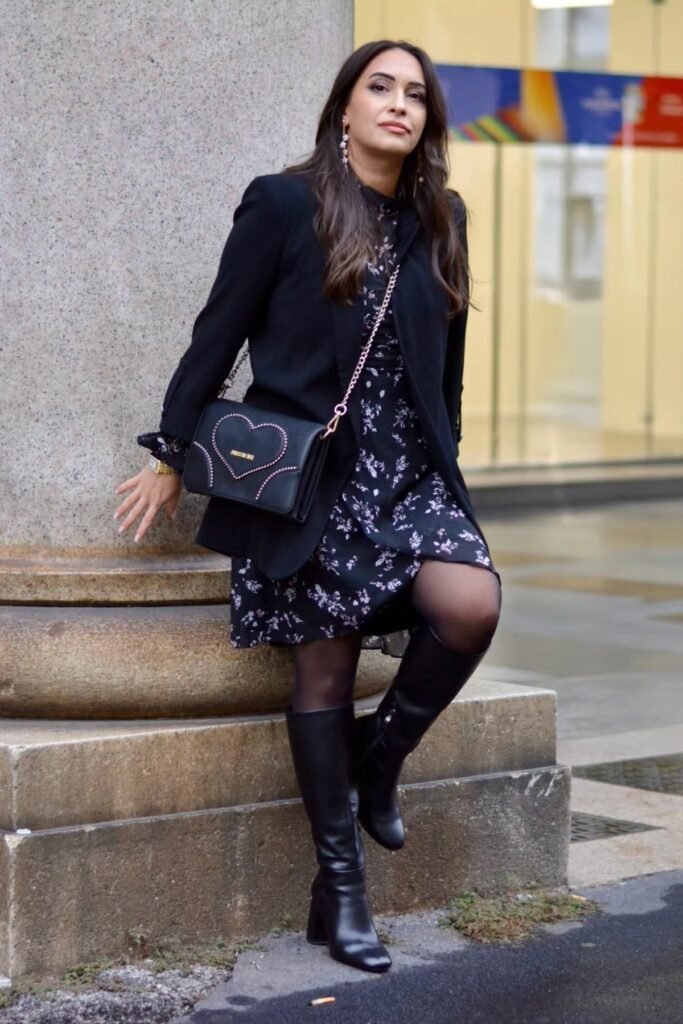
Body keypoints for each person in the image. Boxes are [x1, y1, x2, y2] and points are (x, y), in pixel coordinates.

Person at [114, 39, 501, 974]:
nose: (399, 106)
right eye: (381, 88)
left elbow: (443, 370)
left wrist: (449, 468)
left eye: (415, 95)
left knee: (470, 605)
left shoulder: (439, 215)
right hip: (312, 484)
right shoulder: (284, 202)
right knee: (320, 675)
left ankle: (374, 765)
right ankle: (341, 890)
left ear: (427, 122)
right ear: (345, 105)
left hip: (406, 477)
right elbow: (222, 328)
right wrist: (172, 451)